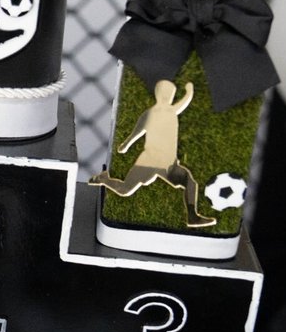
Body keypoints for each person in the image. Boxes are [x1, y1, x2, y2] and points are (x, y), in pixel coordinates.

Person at [89, 79, 216, 228]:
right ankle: (103, 180)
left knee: (190, 182)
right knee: (125, 190)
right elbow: (137, 132)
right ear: (159, 95)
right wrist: (126, 145)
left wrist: (190, 92)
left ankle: (192, 217)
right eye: (166, 94)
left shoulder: (169, 111)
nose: (168, 97)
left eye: (171, 94)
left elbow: (183, 103)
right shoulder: (152, 114)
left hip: (167, 164)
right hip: (149, 162)